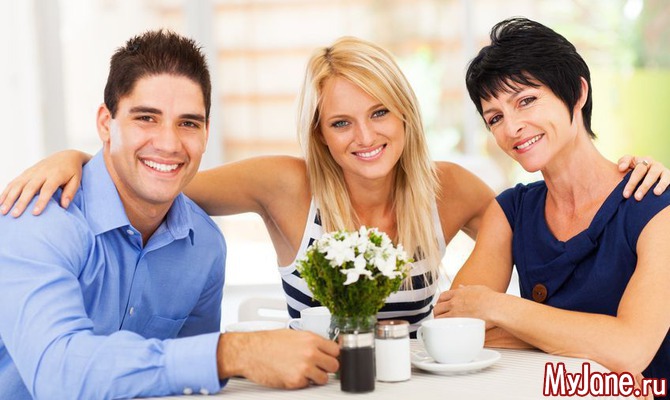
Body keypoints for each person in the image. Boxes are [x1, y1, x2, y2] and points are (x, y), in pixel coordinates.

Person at [2, 36, 669, 338]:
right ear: (319, 134)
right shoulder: (285, 184)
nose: (365, 137)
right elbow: (158, 177)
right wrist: (80, 157)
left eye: (380, 113)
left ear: (406, 115)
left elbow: (492, 296)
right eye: (341, 122)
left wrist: (635, 173)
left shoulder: (454, 190)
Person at [0, 30, 338, 400]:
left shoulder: (204, 246)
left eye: (188, 123)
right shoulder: (38, 221)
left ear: (206, 133)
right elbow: (56, 373)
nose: (168, 143)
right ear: (105, 124)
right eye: (146, 118)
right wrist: (232, 352)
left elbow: (187, 386)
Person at [434, 17, 669, 397]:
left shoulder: (655, 205)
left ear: (577, 92)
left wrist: (497, 307)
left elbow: (629, 351)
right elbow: (451, 325)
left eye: (526, 101)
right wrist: (595, 340)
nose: (511, 128)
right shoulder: (511, 211)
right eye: (495, 117)